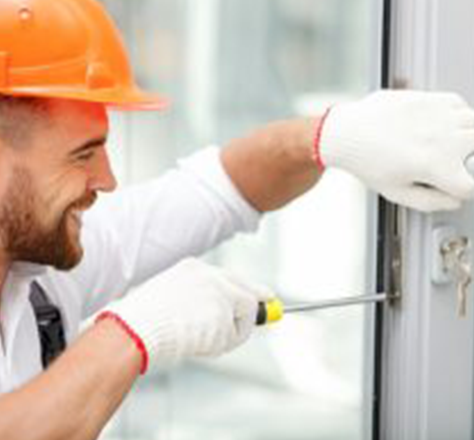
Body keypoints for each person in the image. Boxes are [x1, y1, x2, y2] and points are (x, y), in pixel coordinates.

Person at [0, 0, 474, 438]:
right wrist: (132, 335)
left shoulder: (43, 269)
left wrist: (330, 137)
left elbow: (216, 190)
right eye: (81, 155)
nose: (107, 180)